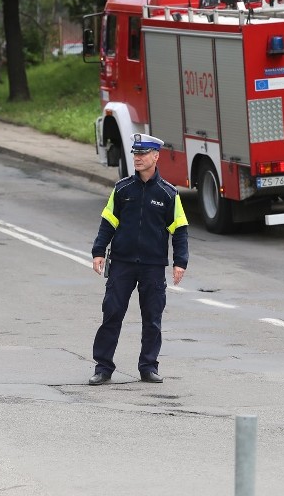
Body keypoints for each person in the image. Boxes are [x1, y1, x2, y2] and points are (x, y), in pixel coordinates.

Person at [88, 133, 189, 385]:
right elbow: (108, 222)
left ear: (156, 156)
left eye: (143, 154)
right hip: (122, 264)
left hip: (152, 267)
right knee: (111, 314)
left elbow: (180, 230)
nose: (138, 158)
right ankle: (103, 367)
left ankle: (148, 366)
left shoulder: (168, 193)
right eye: (135, 153)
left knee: (152, 319)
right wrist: (98, 251)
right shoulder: (122, 189)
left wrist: (180, 261)